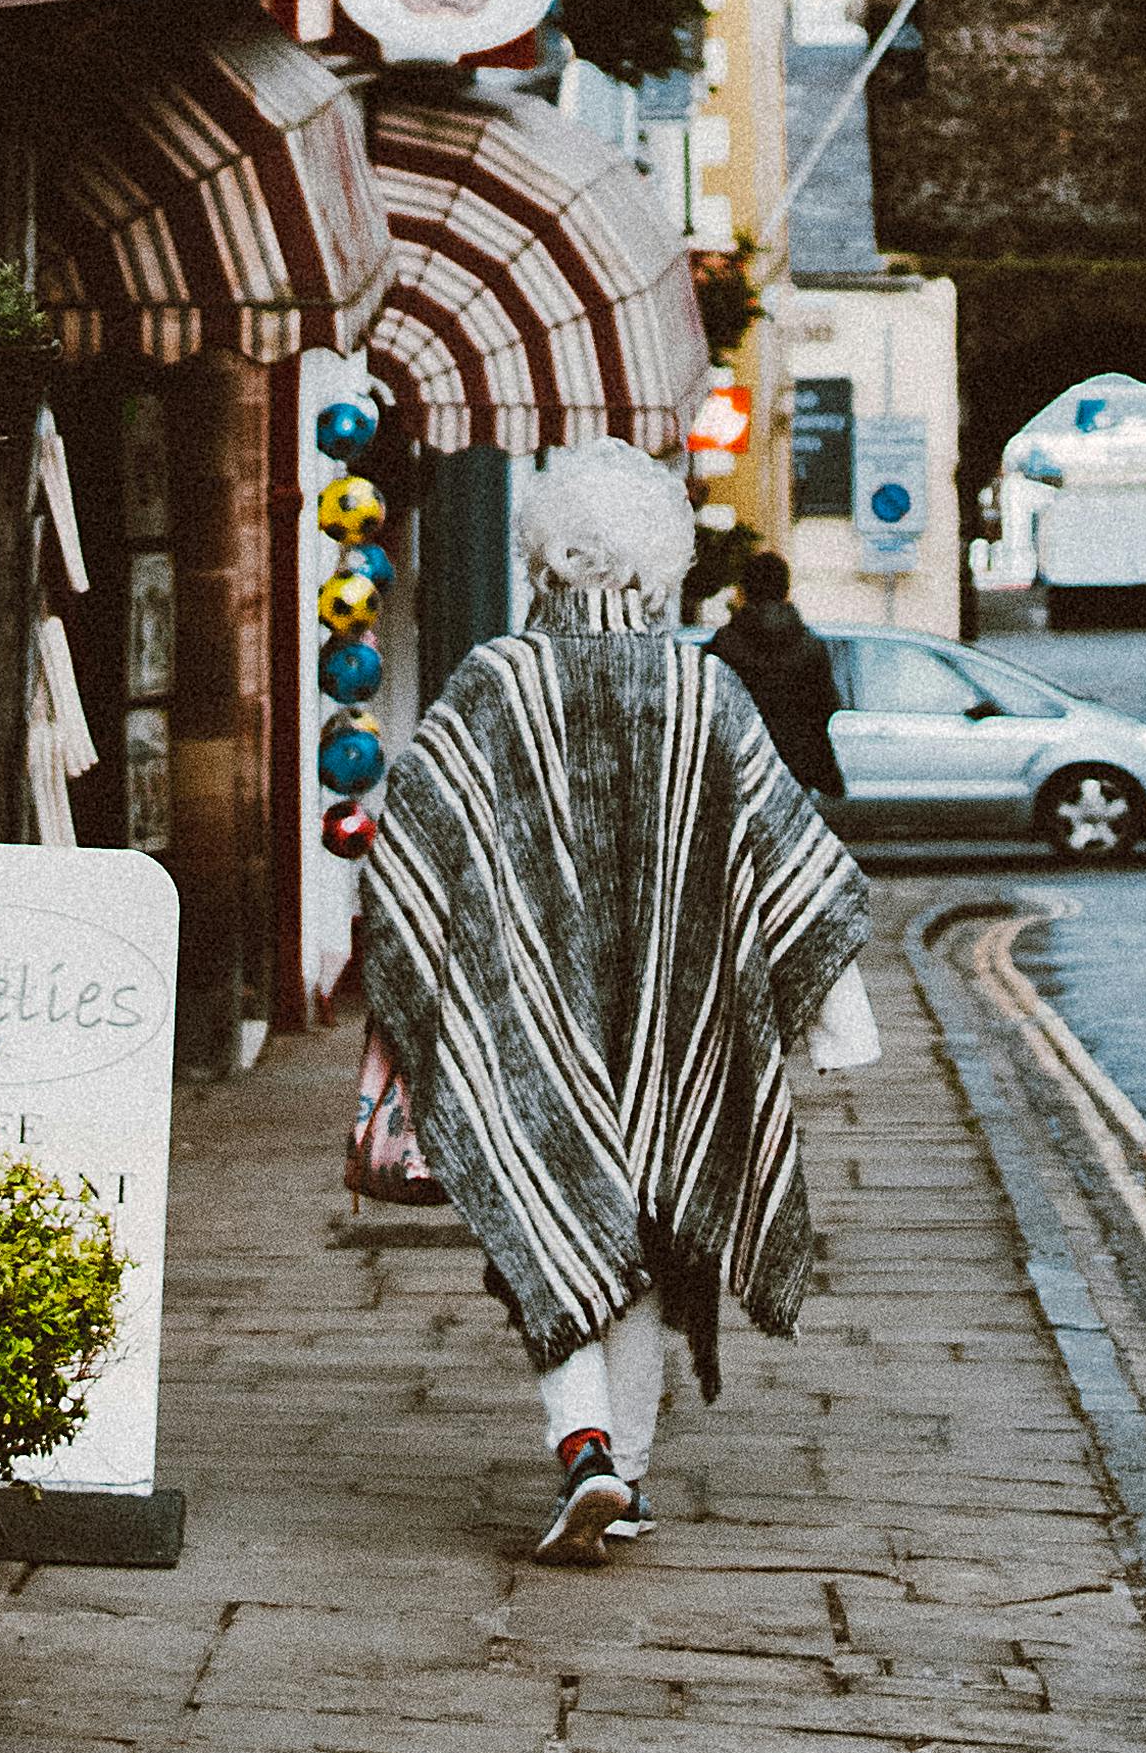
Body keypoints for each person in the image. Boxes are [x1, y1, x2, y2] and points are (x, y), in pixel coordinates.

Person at [357, 439, 880, 1565]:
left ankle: (585, 1446)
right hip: (674, 1014)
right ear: (661, 566)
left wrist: (427, 979)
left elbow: (410, 844)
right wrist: (837, 1019)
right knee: (645, 1238)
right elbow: (791, 853)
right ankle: (623, 1474)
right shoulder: (701, 691)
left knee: (547, 1216)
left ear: (546, 555)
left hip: (523, 1016)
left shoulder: (495, 684)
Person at [710, 545, 845, 804]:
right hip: (796, 766)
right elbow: (826, 705)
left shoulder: (724, 645)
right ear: (786, 589)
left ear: (745, 590)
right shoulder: (810, 646)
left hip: (741, 762)